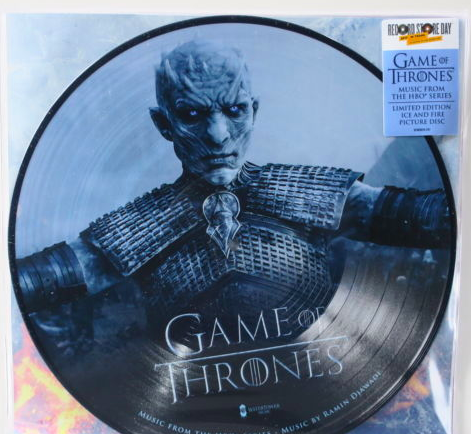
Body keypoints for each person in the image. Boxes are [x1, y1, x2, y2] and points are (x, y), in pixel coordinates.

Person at [16, 40, 450, 345]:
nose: (218, 135)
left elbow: (434, 217)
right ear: (164, 124)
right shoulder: (133, 229)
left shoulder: (312, 191)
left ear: (253, 111)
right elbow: (23, 284)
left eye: (235, 110)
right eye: (192, 114)